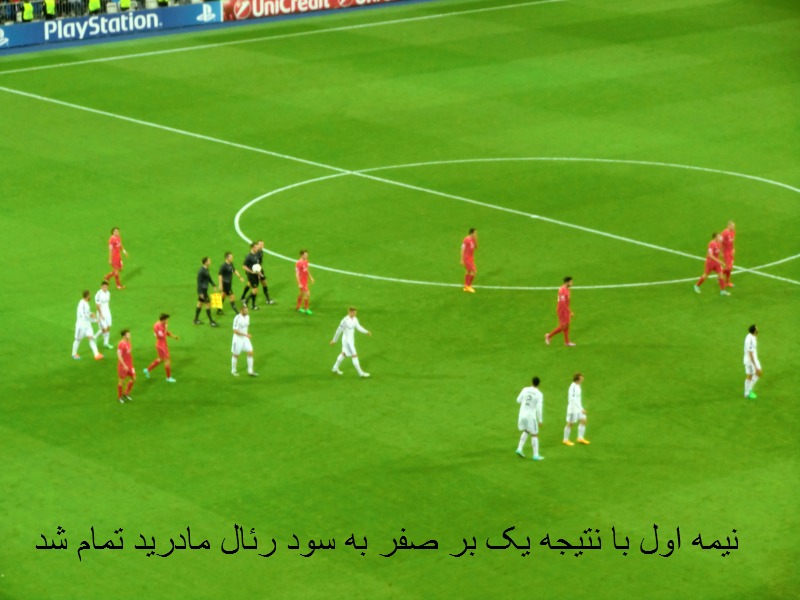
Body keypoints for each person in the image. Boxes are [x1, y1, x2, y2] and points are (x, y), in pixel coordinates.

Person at [330, 307, 371, 378]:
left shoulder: (355, 319)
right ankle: (361, 373)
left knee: (344, 354)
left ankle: (335, 368)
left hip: (351, 340)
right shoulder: (344, 321)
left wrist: (366, 332)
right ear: (350, 312)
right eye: (354, 312)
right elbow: (338, 331)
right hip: (347, 342)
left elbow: (358, 327)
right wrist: (334, 340)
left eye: (355, 312)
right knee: (354, 355)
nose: (355, 313)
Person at [515, 376, 544, 461]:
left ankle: (519, 449)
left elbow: (518, 400)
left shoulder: (525, 389)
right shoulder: (539, 394)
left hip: (522, 414)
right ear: (539, 384)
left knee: (527, 430)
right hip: (530, 416)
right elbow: (539, 409)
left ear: (531, 382)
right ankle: (536, 455)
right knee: (534, 434)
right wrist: (540, 420)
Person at [143, 313, 179, 383]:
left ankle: (147, 370)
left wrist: (173, 336)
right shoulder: (157, 326)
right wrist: (166, 327)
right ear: (163, 320)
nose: (167, 321)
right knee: (167, 360)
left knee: (160, 359)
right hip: (161, 345)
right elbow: (162, 335)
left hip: (163, 344)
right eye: (166, 320)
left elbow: (166, 332)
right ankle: (168, 378)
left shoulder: (163, 324)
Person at [72, 290, 103, 360]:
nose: (90, 296)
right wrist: (94, 320)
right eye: (89, 295)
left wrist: (91, 313)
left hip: (87, 325)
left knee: (91, 338)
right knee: (78, 339)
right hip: (81, 325)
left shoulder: (86, 303)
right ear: (87, 296)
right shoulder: (82, 304)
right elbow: (84, 316)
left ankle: (96, 354)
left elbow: (87, 313)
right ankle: (74, 354)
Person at [545, 276, 576, 346]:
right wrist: (569, 312)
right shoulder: (563, 290)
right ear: (567, 282)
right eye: (571, 282)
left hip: (565, 309)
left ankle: (567, 342)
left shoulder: (567, 289)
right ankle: (548, 336)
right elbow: (562, 303)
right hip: (562, 310)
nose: (572, 283)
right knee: (563, 326)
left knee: (567, 325)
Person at [563, 373, 589, 446]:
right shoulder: (573, 387)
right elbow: (573, 399)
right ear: (577, 380)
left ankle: (580, 438)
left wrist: (580, 408)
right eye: (581, 378)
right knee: (570, 424)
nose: (583, 379)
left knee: (584, 420)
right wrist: (581, 408)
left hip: (578, 408)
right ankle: (565, 440)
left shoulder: (578, 385)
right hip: (573, 409)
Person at [231, 306, 258, 377]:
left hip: (245, 338)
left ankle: (250, 371)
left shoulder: (247, 317)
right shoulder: (237, 318)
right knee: (236, 355)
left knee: (250, 352)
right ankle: (233, 370)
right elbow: (235, 331)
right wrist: (245, 334)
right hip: (237, 339)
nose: (247, 312)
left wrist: (245, 335)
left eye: (247, 311)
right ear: (241, 311)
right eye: (245, 311)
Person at [194, 256, 219, 327]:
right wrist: (200, 293)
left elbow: (209, 278)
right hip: (202, 291)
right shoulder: (201, 271)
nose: (210, 262)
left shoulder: (206, 269)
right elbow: (199, 282)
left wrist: (213, 285)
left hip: (204, 290)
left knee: (199, 304)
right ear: (205, 262)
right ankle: (211, 321)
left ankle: (195, 320)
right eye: (209, 261)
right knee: (208, 304)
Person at [240, 243, 262, 310]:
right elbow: (244, 266)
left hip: (256, 274)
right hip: (251, 275)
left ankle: (252, 304)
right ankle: (246, 302)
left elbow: (257, 266)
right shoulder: (248, 256)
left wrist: (259, 273)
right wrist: (251, 271)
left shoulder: (256, 255)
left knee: (252, 288)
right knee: (255, 290)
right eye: (256, 247)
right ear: (252, 248)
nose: (257, 248)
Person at [743, 324, 762, 399]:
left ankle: (747, 392)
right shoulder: (750, 339)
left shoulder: (750, 336)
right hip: (751, 360)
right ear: (754, 330)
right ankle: (748, 392)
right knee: (755, 373)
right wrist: (754, 364)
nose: (758, 329)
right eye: (756, 328)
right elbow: (750, 352)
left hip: (751, 359)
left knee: (753, 374)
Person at [117, 329, 136, 403]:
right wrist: (124, 365)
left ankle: (126, 393)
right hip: (123, 366)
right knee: (121, 381)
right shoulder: (121, 344)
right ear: (124, 336)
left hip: (130, 365)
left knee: (134, 378)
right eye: (128, 334)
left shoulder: (128, 342)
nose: (129, 335)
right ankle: (119, 397)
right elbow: (119, 355)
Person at [255, 240, 276, 305]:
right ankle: (245, 299)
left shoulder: (261, 251)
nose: (261, 245)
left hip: (260, 269)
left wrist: (261, 269)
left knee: (264, 283)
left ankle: (268, 299)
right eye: (260, 244)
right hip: (255, 271)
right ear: (257, 245)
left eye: (262, 244)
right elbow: (255, 264)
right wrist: (258, 273)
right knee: (254, 287)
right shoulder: (255, 253)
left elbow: (260, 262)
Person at [94, 281, 114, 349]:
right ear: (101, 287)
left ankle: (106, 343)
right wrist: (101, 315)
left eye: (106, 287)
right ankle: (95, 337)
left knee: (108, 328)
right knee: (104, 329)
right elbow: (97, 306)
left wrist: (108, 312)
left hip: (107, 313)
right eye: (104, 287)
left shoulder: (108, 293)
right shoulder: (98, 294)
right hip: (101, 314)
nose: (105, 288)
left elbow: (107, 303)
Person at [295, 249, 315, 315]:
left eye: (307, 254)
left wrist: (311, 277)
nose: (306, 256)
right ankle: (306, 308)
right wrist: (299, 283)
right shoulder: (298, 263)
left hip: (305, 280)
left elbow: (306, 270)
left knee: (302, 293)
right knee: (307, 293)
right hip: (301, 281)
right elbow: (297, 274)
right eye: (305, 255)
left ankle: (298, 307)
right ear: (301, 255)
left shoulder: (306, 261)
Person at [461, 228, 478, 293]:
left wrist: (475, 240)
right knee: (474, 271)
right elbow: (462, 249)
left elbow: (476, 247)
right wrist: (462, 259)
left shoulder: (473, 239)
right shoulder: (466, 239)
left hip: (471, 258)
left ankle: (466, 286)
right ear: (471, 233)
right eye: (475, 233)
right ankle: (468, 286)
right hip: (467, 258)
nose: (476, 234)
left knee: (468, 271)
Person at [721, 221, 736, 288]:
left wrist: (733, 248)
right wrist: (721, 252)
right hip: (726, 252)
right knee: (728, 267)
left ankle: (727, 282)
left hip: (730, 251)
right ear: (729, 226)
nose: (733, 227)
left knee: (730, 267)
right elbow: (720, 242)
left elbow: (732, 241)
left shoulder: (733, 232)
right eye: (732, 226)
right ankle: (720, 275)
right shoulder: (724, 233)